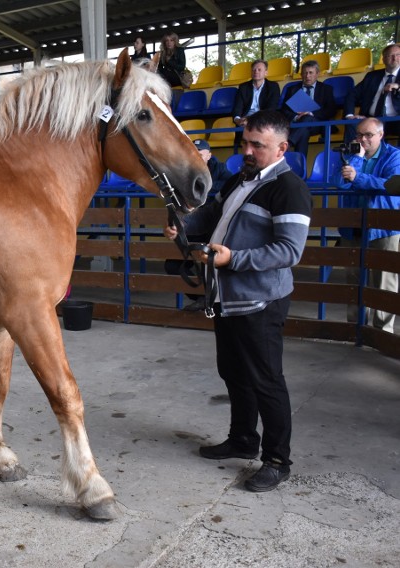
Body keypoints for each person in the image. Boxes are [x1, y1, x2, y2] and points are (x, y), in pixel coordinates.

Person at [164, 110, 312, 492]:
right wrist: (186, 225)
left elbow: (289, 251)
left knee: (266, 381)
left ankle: (278, 460)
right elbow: (215, 213)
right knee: (233, 372)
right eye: (245, 142)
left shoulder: (289, 188)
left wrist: (233, 260)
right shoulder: (242, 178)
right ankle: (244, 438)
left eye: (257, 145)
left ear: (282, 148)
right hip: (228, 298)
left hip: (260, 302)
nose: (247, 150)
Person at [331, 117, 400, 333]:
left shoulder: (394, 156)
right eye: (359, 134)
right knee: (354, 281)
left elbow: (390, 184)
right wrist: (358, 159)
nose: (362, 139)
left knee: (384, 283)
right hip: (354, 226)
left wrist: (358, 177)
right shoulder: (353, 155)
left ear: (381, 135)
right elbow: (339, 182)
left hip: (383, 227)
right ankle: (356, 329)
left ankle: (382, 334)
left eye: (368, 135)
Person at [163, 139, 231, 311]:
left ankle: (213, 300)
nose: (197, 156)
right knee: (173, 265)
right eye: (194, 152)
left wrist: (201, 186)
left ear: (209, 155)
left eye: (201, 153)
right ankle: (202, 298)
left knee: (209, 262)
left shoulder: (220, 169)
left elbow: (230, 186)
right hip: (190, 223)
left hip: (213, 226)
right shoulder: (184, 168)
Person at [344, 43, 400, 143]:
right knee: (352, 123)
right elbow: (352, 94)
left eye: (398, 55)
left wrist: (398, 86)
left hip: (396, 120)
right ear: (383, 59)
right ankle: (351, 157)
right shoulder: (372, 76)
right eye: (390, 55)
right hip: (372, 119)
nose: (394, 58)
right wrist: (349, 115)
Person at [281, 59, 337, 156]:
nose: (307, 76)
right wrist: (296, 117)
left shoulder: (326, 89)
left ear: (317, 74)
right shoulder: (292, 90)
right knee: (304, 132)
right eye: (305, 73)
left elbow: (331, 110)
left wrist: (311, 114)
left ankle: (289, 143)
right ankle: (301, 167)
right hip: (298, 123)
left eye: (311, 73)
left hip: (318, 124)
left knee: (307, 118)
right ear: (301, 75)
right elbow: (284, 110)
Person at [232, 60, 281, 150]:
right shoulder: (243, 87)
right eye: (254, 70)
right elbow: (237, 108)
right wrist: (238, 120)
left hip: (264, 120)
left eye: (259, 70)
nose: (256, 72)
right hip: (245, 122)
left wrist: (251, 120)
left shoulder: (273, 87)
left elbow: (271, 109)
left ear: (266, 72)